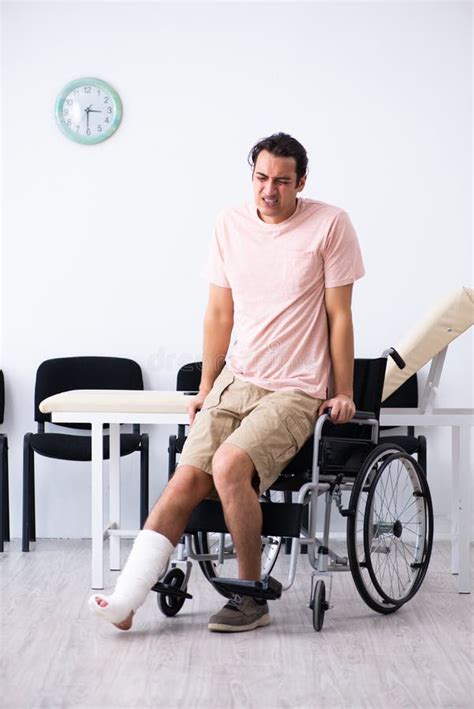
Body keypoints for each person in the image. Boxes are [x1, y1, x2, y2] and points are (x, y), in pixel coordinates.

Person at [89, 132, 365, 633]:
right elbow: (220, 313)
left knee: (229, 463)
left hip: (297, 387)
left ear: (301, 182)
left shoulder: (329, 224)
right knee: (187, 479)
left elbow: (339, 315)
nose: (269, 190)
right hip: (236, 379)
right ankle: (127, 599)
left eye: (282, 181)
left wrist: (342, 390)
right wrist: (207, 386)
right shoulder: (229, 224)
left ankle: (249, 598)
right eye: (261, 178)